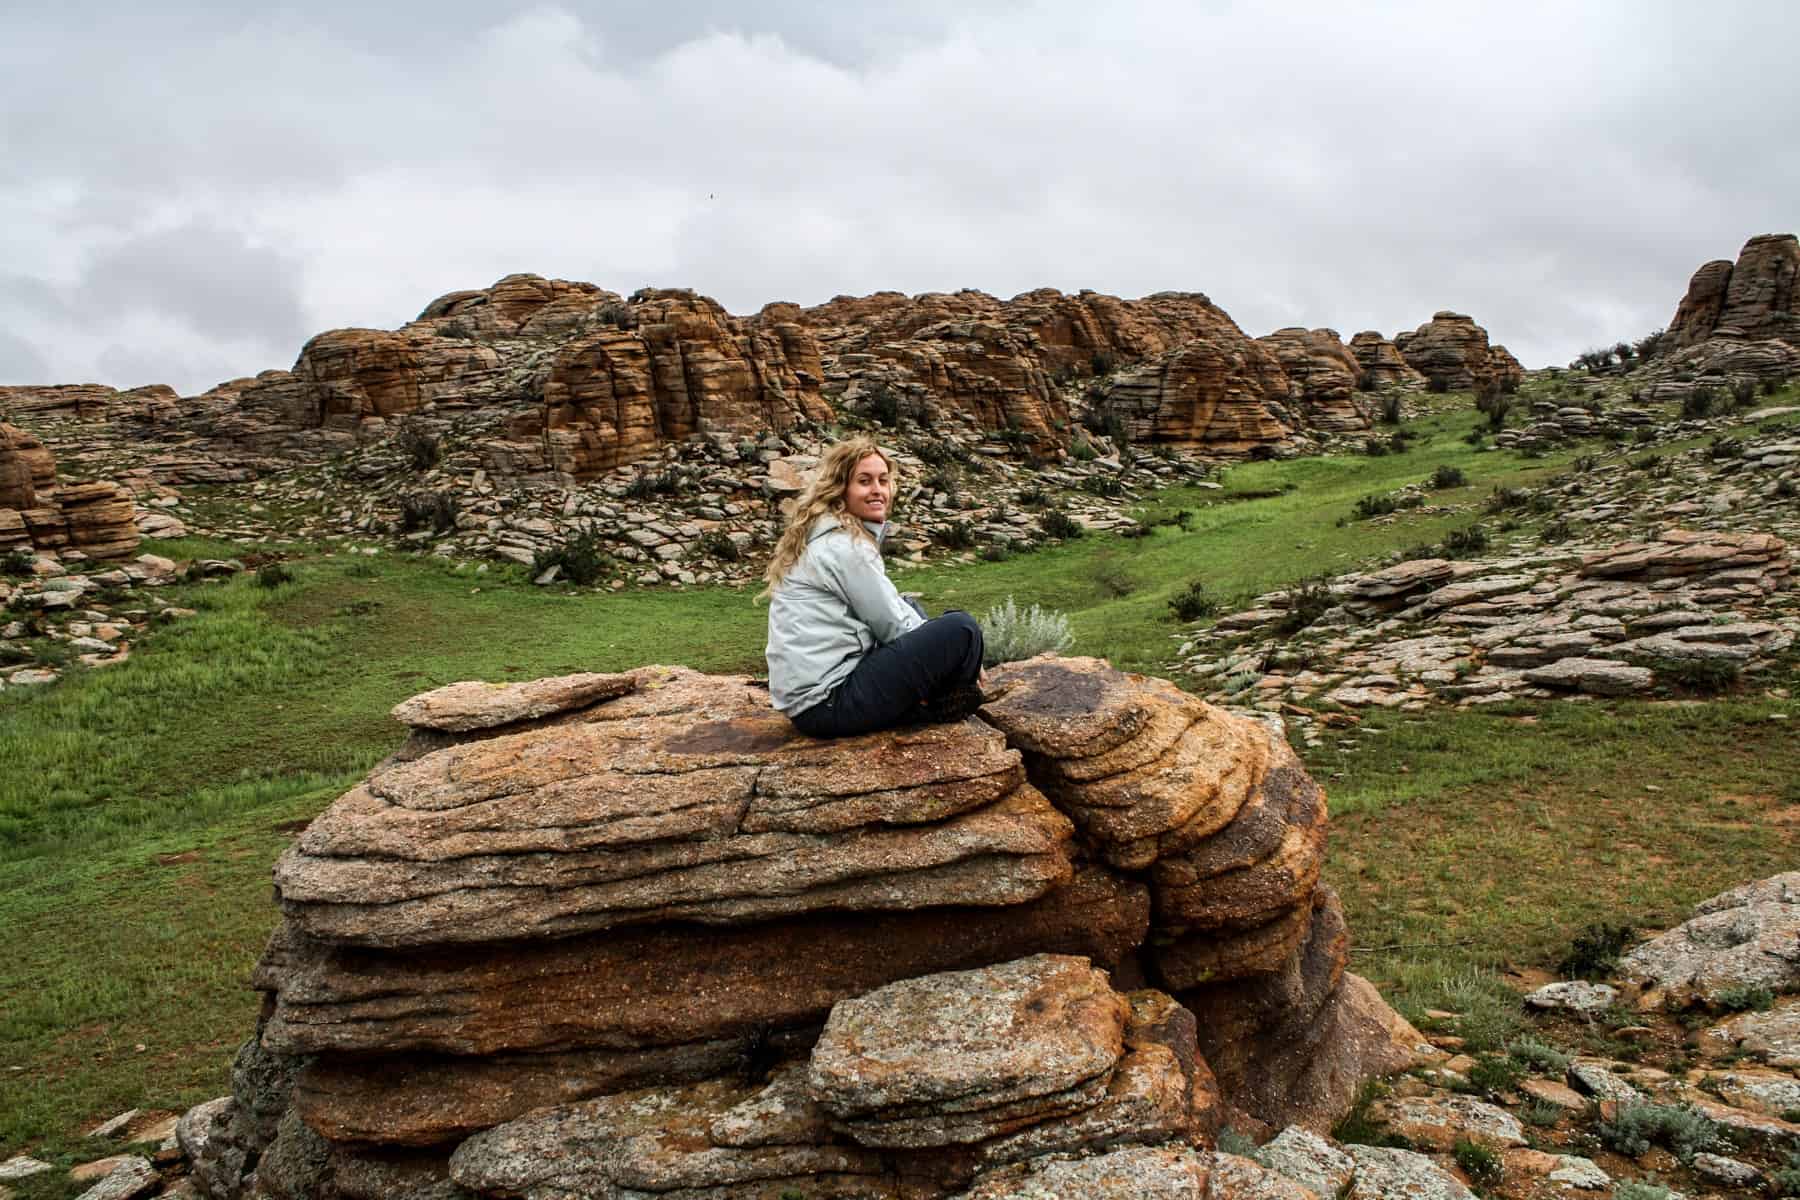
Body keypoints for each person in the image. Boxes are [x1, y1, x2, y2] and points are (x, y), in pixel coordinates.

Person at [761, 436, 985, 737]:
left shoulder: (830, 535)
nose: (878, 490)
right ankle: (940, 700)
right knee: (963, 629)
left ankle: (933, 698)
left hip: (815, 702)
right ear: (841, 489)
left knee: (911, 605)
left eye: (883, 480)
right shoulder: (845, 547)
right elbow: (893, 626)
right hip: (830, 703)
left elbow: (894, 614)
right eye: (864, 481)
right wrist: (962, 656)